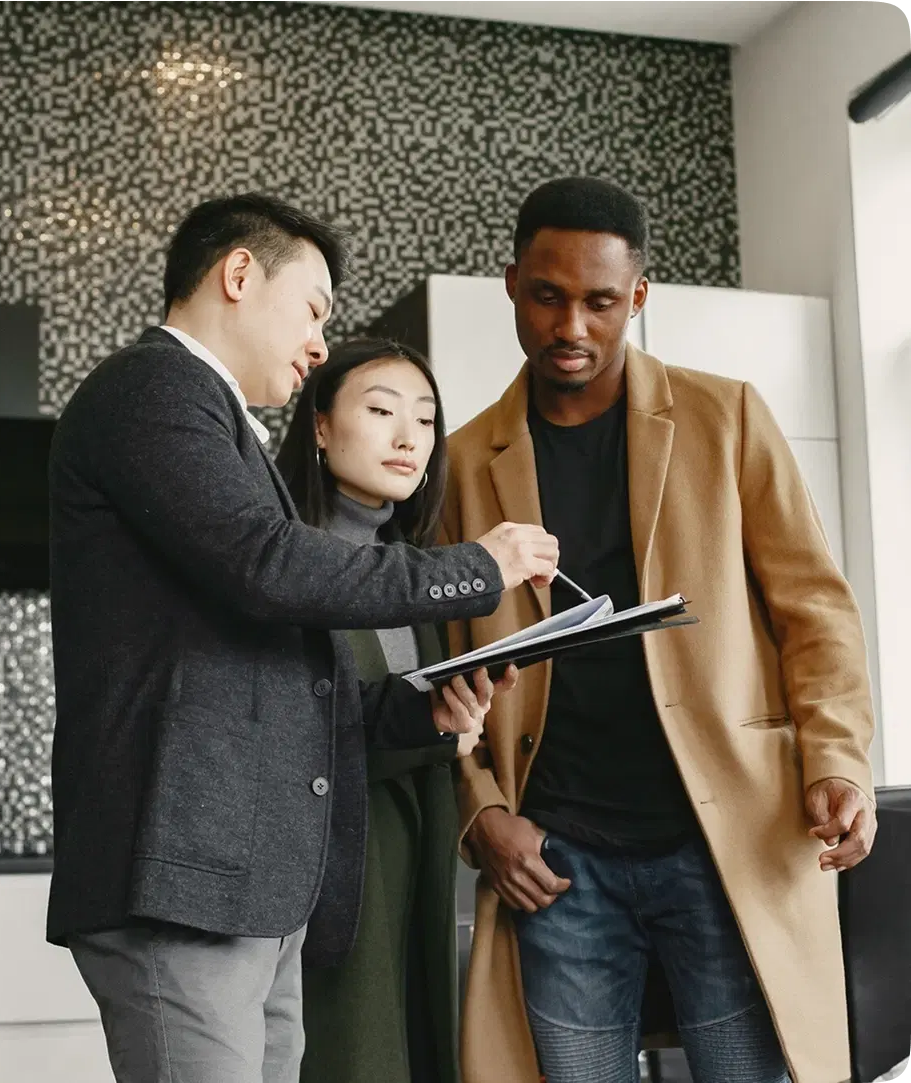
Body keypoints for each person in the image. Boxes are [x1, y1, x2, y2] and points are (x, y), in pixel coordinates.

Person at [45, 192, 560, 1083]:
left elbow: (293, 686)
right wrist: (480, 564)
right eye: (314, 308)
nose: (321, 342)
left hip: (248, 889)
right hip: (187, 880)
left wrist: (425, 713)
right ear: (238, 275)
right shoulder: (152, 389)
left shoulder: (213, 424)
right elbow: (271, 564)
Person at [440, 176, 877, 1083]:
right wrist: (481, 810)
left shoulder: (730, 417)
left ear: (638, 297)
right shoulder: (463, 461)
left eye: (601, 302)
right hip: (556, 861)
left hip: (728, 839)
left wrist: (837, 758)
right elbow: (447, 665)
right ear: (512, 283)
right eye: (549, 296)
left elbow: (816, 611)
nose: (572, 327)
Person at [275, 337, 476, 1083]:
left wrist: (453, 717)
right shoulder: (289, 563)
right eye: (382, 409)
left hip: (416, 854)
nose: (407, 436)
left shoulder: (409, 567)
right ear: (321, 427)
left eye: (424, 419)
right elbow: (303, 734)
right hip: (335, 873)